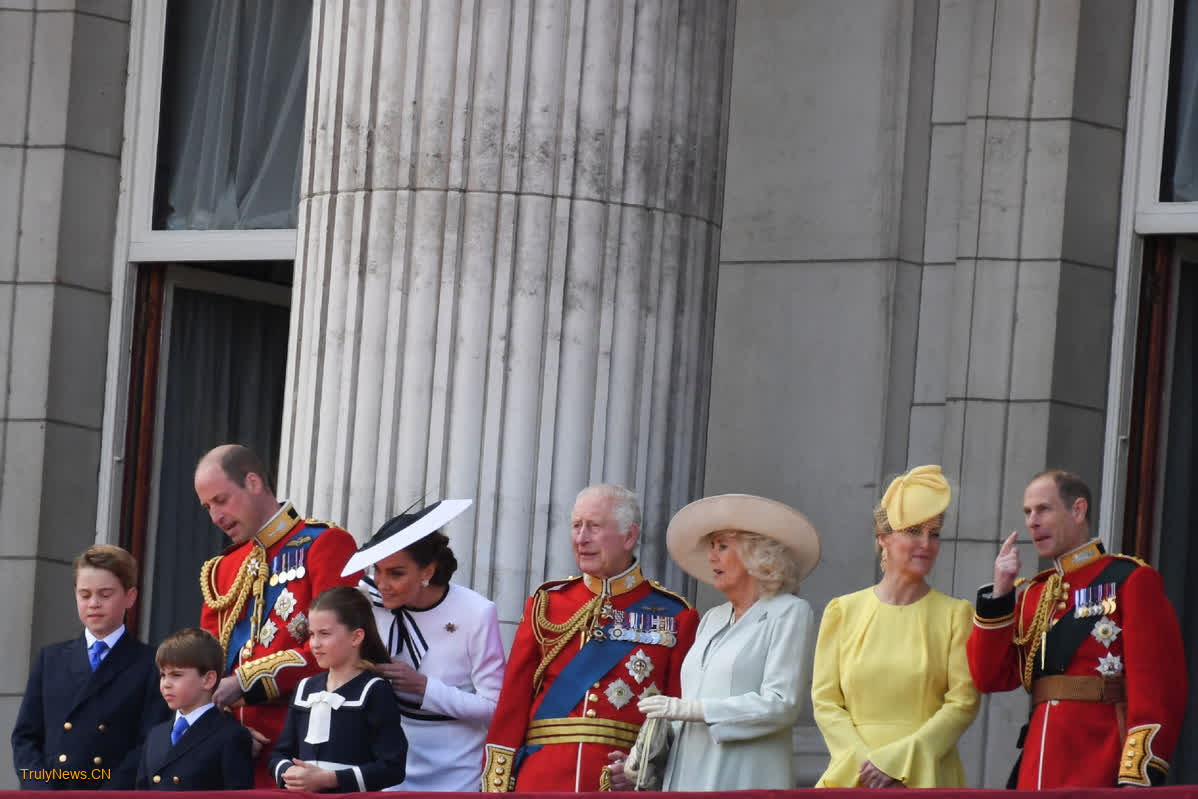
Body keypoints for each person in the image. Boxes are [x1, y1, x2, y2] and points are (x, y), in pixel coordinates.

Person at [967, 470, 1188, 788]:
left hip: (1099, 765)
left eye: (1043, 509)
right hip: (1036, 769)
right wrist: (1000, 595)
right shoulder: (1034, 594)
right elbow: (989, 677)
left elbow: (1158, 689)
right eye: (1027, 512)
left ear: (1078, 510)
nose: (1033, 521)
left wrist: (1137, 777)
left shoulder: (1129, 580)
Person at [481, 484, 700, 792]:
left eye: (594, 527)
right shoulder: (546, 605)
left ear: (629, 536)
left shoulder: (675, 615)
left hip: (619, 784)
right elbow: (512, 705)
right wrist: (496, 787)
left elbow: (677, 716)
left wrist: (647, 771)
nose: (581, 538)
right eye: (576, 526)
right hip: (541, 781)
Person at [620, 493, 820, 791]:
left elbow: (782, 704)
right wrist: (650, 750)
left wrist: (691, 710)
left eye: (723, 547)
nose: (712, 556)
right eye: (712, 547)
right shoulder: (713, 618)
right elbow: (688, 703)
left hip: (743, 776)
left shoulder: (789, 612)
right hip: (687, 773)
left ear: (757, 555)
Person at [194, 444, 361, 786]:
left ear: (253, 482)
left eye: (221, 500)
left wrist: (243, 681)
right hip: (230, 754)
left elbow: (340, 650)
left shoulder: (325, 544)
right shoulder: (223, 570)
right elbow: (204, 667)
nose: (215, 517)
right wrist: (225, 727)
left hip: (302, 750)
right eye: (207, 507)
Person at [811, 465, 979, 788]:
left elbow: (963, 703)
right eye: (914, 531)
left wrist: (899, 762)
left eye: (935, 533)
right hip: (853, 777)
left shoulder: (956, 615)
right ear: (883, 538)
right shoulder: (842, 612)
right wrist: (866, 765)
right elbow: (826, 702)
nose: (926, 544)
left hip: (925, 777)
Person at [343, 498, 506, 790]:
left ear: (427, 571)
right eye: (377, 569)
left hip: (455, 768)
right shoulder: (367, 601)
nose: (381, 582)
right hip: (384, 760)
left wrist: (423, 686)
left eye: (396, 573)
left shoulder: (476, 611)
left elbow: (494, 707)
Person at [11, 544, 169, 789]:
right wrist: (41, 790)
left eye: (105, 595)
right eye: (85, 595)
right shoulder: (50, 659)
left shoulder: (150, 664)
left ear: (130, 596)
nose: (94, 603)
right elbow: (25, 738)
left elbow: (149, 744)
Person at [268, 586, 407, 792]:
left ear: (356, 637)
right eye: (312, 634)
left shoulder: (374, 690)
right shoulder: (305, 688)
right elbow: (279, 754)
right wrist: (289, 772)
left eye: (324, 634)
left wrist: (329, 779)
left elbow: (392, 767)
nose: (314, 644)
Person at [135, 628, 255, 790]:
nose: (166, 684)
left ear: (208, 680)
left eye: (176, 675)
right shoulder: (156, 734)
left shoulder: (230, 736)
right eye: (163, 675)